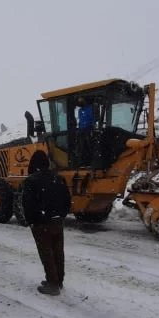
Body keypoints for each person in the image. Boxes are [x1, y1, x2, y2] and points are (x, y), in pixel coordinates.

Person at [21, 150, 72, 295]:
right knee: (58, 252)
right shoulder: (58, 178)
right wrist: (60, 215)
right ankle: (59, 280)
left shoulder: (31, 181)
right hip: (57, 221)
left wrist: (32, 221)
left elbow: (28, 204)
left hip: (41, 223)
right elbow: (67, 201)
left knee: (46, 253)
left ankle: (52, 284)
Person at [75, 96, 95, 166]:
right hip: (81, 130)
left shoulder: (90, 108)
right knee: (81, 145)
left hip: (89, 129)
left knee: (89, 144)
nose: (80, 101)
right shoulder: (80, 110)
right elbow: (80, 121)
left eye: (81, 99)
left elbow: (93, 119)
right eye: (79, 100)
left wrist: (92, 128)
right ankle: (82, 160)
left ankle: (91, 159)